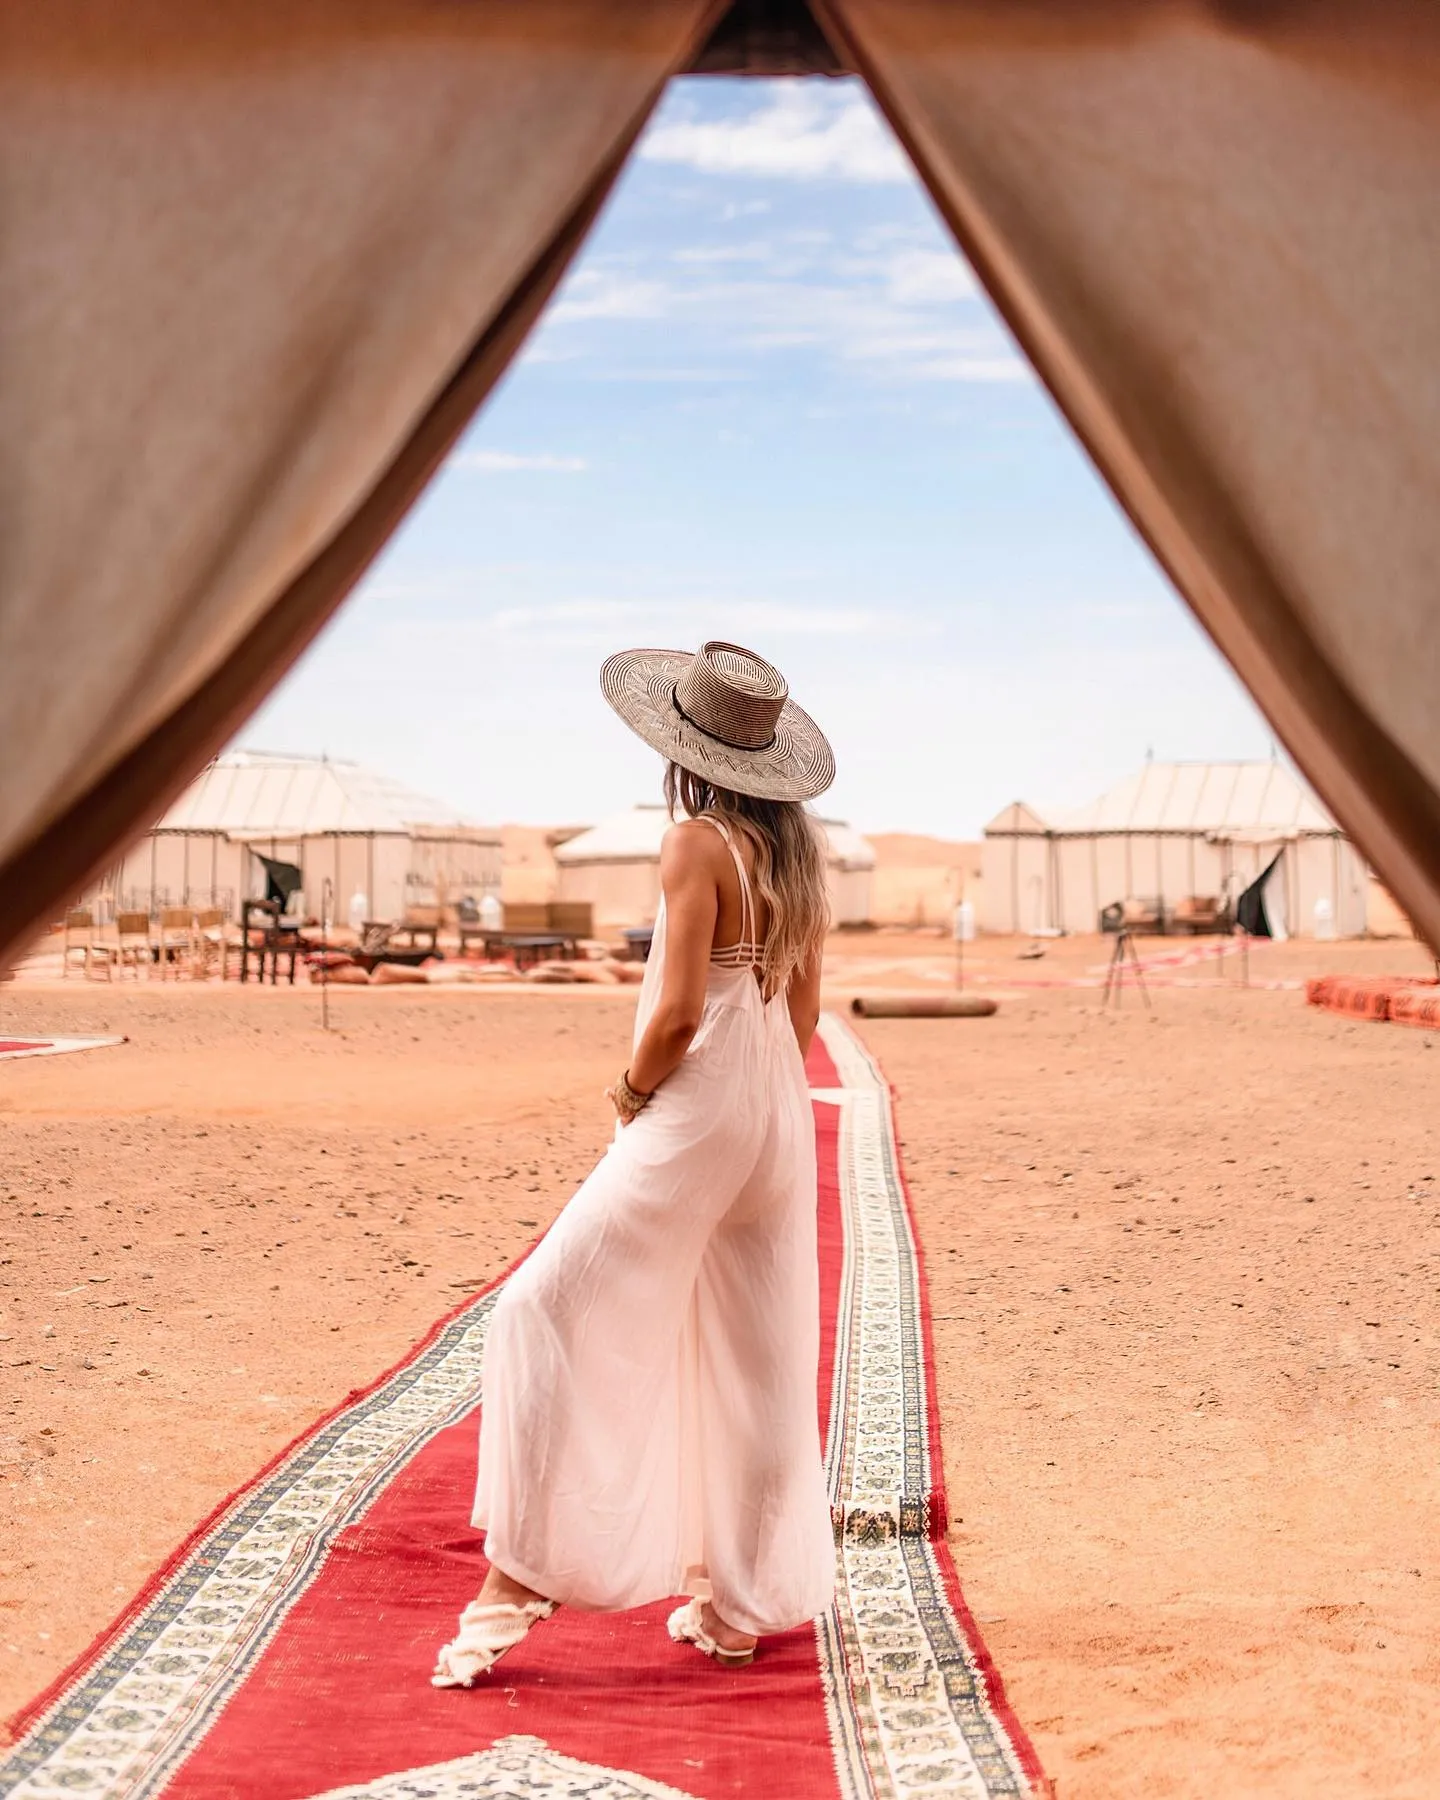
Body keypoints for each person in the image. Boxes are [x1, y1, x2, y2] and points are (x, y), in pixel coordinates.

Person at [433, 641, 838, 1684]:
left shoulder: (694, 844)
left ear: (683, 749)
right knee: (758, 1350)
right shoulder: (799, 855)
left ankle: (516, 1582)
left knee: (543, 1307)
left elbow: (672, 1015)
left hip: (701, 1109)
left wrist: (634, 1094)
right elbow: (801, 1008)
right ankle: (736, 1610)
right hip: (776, 1117)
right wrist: (760, 1103)